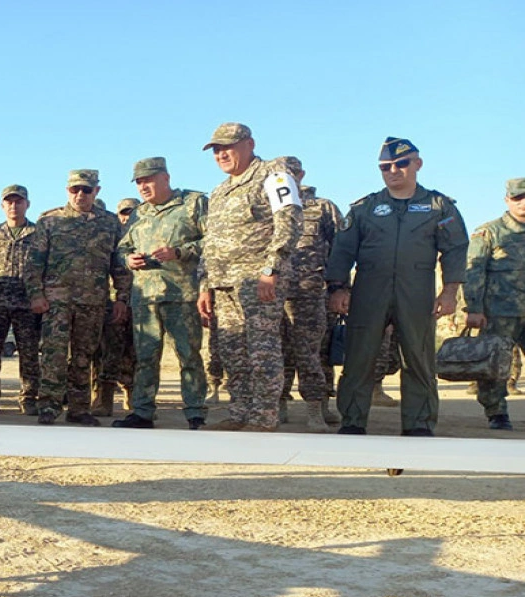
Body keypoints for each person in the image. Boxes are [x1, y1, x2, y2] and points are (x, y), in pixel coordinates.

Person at [326, 137, 468, 436]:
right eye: (385, 167)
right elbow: (343, 250)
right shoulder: (365, 208)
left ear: (417, 164)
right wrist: (338, 288)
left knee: (418, 358)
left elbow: (455, 249)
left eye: (401, 164)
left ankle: (419, 425)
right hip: (369, 291)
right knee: (359, 357)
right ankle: (352, 422)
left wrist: (449, 292)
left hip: (416, 291)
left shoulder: (438, 206)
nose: (393, 171)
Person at [196, 122, 303, 432]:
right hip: (224, 283)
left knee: (262, 350)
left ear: (249, 144)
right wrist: (205, 285)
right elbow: (210, 241)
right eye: (216, 150)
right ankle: (240, 412)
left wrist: (272, 269)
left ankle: (264, 416)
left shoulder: (273, 174)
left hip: (259, 280)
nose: (221, 154)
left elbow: (290, 221)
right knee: (232, 351)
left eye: (227, 147)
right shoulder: (219, 191)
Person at [26, 169, 129, 426]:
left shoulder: (109, 223)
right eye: (75, 189)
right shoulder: (50, 221)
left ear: (96, 191)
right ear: (67, 190)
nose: (80, 195)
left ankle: (79, 408)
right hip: (56, 301)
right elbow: (34, 263)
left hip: (93, 301)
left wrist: (121, 298)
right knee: (54, 354)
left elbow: (118, 264)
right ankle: (49, 405)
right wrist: (35, 295)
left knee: (84, 356)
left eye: (86, 189)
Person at [114, 157, 209, 430]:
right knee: (145, 358)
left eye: (148, 180)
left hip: (182, 295)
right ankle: (142, 412)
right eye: (139, 182)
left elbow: (213, 241)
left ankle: (195, 413)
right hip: (145, 297)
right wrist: (128, 259)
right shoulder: (138, 214)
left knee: (188, 356)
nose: (143, 187)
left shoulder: (193, 203)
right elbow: (122, 248)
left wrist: (179, 252)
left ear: (165, 178)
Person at [279, 156, 342, 431]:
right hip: (273, 294)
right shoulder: (266, 208)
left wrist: (340, 289)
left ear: (301, 175)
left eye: (290, 173)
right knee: (277, 354)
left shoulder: (322, 208)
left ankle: (317, 408)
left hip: (311, 293)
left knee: (311, 353)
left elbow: (341, 250)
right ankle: (279, 404)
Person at [463, 177, 525, 430]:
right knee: (495, 365)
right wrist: (474, 308)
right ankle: (497, 412)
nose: (523, 203)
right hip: (499, 312)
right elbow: (473, 271)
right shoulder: (489, 232)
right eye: (517, 198)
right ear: (507, 200)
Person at [0, 184, 40, 414]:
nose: (14, 206)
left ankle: (29, 398)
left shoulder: (38, 234)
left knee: (29, 353)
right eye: (9, 202)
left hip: (27, 304)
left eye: (19, 201)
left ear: (27, 204)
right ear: (2, 206)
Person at [89, 198, 142, 416]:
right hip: (111, 303)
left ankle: (133, 394)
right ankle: (103, 398)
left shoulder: (145, 236)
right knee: (106, 352)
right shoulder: (110, 237)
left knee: (135, 352)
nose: (128, 218)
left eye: (132, 213)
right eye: (124, 213)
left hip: (140, 302)